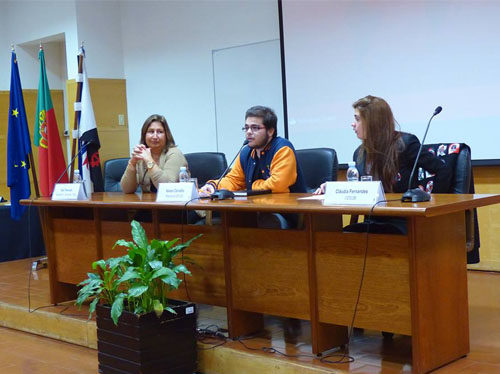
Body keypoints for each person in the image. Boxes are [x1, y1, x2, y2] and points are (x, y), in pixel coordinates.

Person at [314, 95, 452, 233]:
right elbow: (362, 188)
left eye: (357, 119)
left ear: (372, 122)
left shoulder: (405, 143)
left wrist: (432, 203)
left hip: (404, 222)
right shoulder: (359, 153)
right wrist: (333, 189)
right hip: (374, 220)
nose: (352, 124)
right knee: (335, 239)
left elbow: (443, 170)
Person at [199, 105, 306, 228]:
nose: (249, 132)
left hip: (287, 212)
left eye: (255, 128)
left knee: (267, 220)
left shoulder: (282, 149)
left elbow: (278, 185)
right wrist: (213, 186)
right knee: (233, 219)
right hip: (256, 209)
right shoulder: (246, 152)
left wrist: (252, 186)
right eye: (246, 128)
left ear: (270, 131)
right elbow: (234, 180)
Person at [120, 114, 187, 193]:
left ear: (166, 135)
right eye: (151, 132)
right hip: (149, 204)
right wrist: (132, 163)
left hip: (173, 203)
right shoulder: (142, 155)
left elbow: (168, 188)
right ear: (144, 135)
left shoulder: (175, 154)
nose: (155, 136)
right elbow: (127, 190)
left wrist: (149, 160)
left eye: (160, 132)